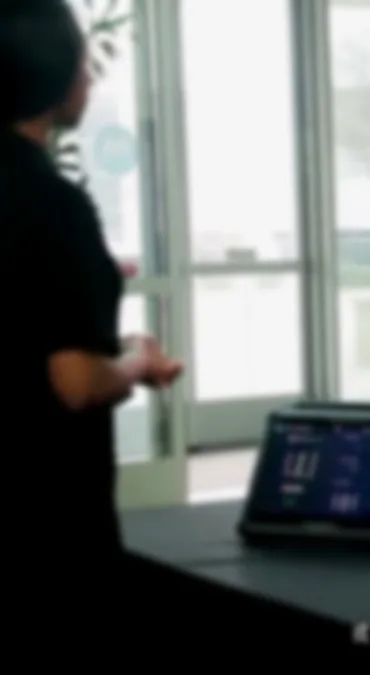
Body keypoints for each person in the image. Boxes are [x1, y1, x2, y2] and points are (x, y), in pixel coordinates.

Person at [1, 0, 184, 578]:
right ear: (54, 75)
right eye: (82, 61)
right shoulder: (52, 204)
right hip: (44, 522)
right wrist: (136, 360)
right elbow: (76, 383)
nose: (88, 75)